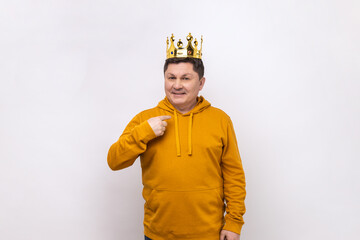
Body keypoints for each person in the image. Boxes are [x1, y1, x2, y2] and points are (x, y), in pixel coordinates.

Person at [107, 33, 246, 240]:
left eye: (185, 78)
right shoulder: (145, 120)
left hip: (209, 233)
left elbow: (234, 176)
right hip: (158, 234)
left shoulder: (220, 120)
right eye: (171, 77)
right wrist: (143, 133)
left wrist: (234, 222)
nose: (177, 85)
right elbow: (114, 161)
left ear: (201, 83)